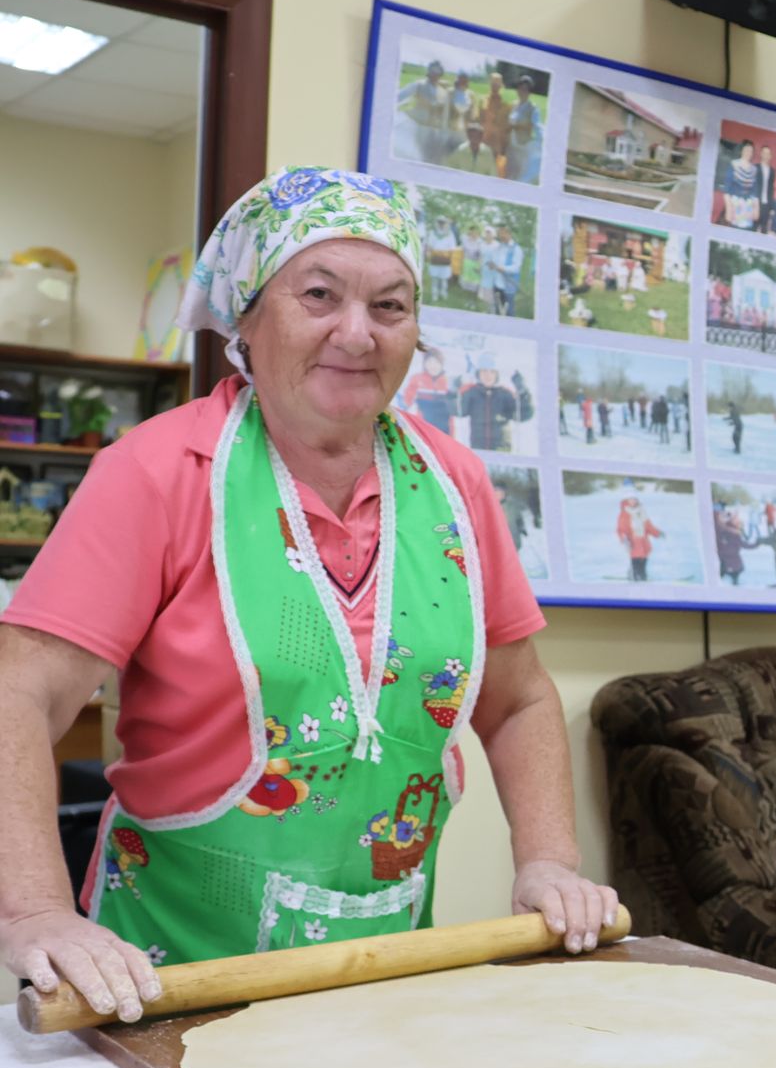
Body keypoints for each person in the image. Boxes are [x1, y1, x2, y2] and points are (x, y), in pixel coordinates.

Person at [0, 167, 618, 1021]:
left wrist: (547, 858)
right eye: (319, 295)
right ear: (248, 318)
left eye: (391, 307)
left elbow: (518, 700)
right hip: (163, 985)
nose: (357, 334)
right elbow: (19, 695)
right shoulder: (157, 474)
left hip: (382, 976)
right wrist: (34, 908)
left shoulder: (455, 483)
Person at [394, 60, 452, 163]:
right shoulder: (418, 85)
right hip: (415, 125)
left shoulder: (444, 92)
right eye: (432, 71)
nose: (434, 74)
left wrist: (444, 132)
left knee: (427, 157)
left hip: (432, 130)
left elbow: (444, 115)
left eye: (437, 72)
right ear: (429, 72)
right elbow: (398, 97)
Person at [460, 355, 517, 452]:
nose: (488, 375)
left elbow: (523, 414)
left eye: (492, 372)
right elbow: (459, 411)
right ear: (478, 373)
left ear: (497, 374)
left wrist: (523, 393)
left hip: (502, 448)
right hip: (478, 448)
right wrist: (453, 394)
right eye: (484, 371)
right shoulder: (472, 392)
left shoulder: (505, 393)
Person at [399, 347, 454, 435]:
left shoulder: (447, 382)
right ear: (424, 364)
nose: (432, 366)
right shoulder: (417, 379)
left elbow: (452, 413)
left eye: (436, 362)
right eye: (429, 362)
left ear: (441, 364)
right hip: (422, 428)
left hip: (443, 430)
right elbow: (406, 402)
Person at [615, 497, 663, 582]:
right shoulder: (624, 513)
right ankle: (635, 576)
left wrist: (657, 533)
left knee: (643, 560)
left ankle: (642, 576)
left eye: (635, 499)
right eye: (631, 499)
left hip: (643, 542)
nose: (633, 501)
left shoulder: (642, 511)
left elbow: (648, 526)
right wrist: (624, 539)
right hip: (633, 542)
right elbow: (620, 529)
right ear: (627, 501)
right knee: (636, 560)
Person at [506, 74, 542, 184]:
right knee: (510, 174)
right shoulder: (513, 105)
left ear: (529, 92)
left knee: (521, 176)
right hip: (511, 146)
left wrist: (515, 126)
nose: (523, 91)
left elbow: (534, 126)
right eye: (521, 88)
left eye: (526, 89)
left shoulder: (533, 108)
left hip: (523, 146)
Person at [479, 72, 511, 179]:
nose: (495, 86)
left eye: (497, 84)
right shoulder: (483, 100)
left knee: (493, 173)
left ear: (501, 86)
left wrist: (504, 149)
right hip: (483, 141)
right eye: (493, 83)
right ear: (490, 84)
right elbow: (479, 120)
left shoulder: (505, 106)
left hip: (496, 145)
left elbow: (506, 129)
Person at [489, 226, 524, 318]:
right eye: (499, 234)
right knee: (497, 307)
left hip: (509, 285)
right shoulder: (499, 247)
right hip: (497, 283)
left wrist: (504, 268)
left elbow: (516, 268)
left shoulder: (517, 249)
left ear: (509, 234)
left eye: (503, 233)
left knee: (509, 311)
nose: (501, 236)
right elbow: (494, 259)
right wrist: (492, 264)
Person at [424, 215, 457, 302]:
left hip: (445, 259)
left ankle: (443, 294)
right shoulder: (432, 233)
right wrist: (430, 254)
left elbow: (452, 248)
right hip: (435, 259)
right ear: (437, 223)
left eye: (443, 222)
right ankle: (435, 295)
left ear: (446, 223)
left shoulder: (450, 234)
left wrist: (446, 255)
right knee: (434, 279)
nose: (441, 224)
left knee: (444, 279)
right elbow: (429, 246)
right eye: (439, 222)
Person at [713, 506, 745, 584]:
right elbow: (724, 527)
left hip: (725, 548)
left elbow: (728, 519)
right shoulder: (718, 521)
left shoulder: (723, 521)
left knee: (727, 564)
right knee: (725, 563)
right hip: (722, 547)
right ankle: (721, 576)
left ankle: (726, 576)